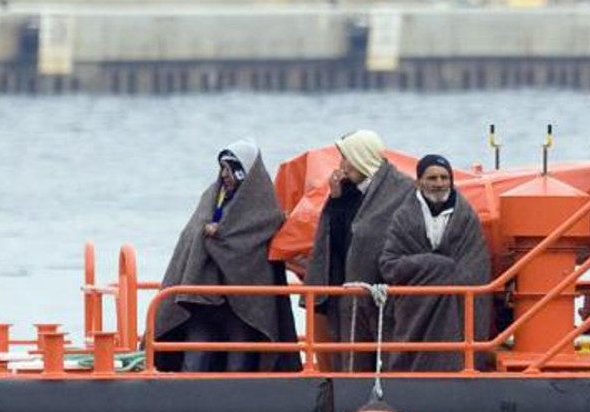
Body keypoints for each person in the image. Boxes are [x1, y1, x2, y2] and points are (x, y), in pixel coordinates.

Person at [154, 138, 300, 373]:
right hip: (202, 300)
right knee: (194, 360)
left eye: (230, 168)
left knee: (238, 364)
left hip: (242, 307)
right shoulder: (210, 199)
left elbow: (252, 246)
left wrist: (222, 235)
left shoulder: (265, 210)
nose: (224, 174)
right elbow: (192, 238)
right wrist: (209, 235)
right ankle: (185, 403)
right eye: (222, 167)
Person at [305, 130, 414, 371]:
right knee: (351, 356)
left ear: (362, 157)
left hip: (384, 295)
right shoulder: (347, 192)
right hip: (351, 293)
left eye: (346, 158)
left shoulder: (401, 190)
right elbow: (338, 240)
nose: (342, 165)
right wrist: (336, 200)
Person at [380, 154, 492, 371]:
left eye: (444, 177)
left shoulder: (466, 217)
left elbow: (476, 263)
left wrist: (450, 276)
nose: (439, 184)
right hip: (416, 301)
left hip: (458, 302)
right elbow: (389, 264)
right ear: (418, 182)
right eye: (432, 178)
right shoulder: (404, 217)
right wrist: (434, 266)